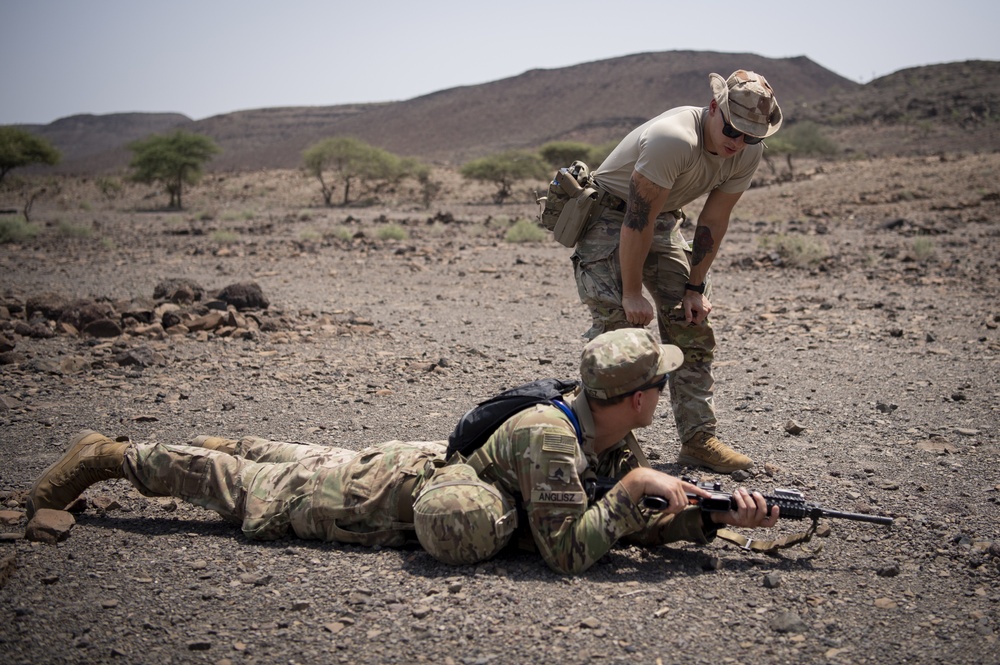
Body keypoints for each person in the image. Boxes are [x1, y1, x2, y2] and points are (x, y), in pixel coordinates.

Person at [25, 329, 779, 574]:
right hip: (379, 500)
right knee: (251, 487)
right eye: (659, 384)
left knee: (301, 456)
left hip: (413, 465)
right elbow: (570, 549)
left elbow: (630, 513)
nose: (661, 395)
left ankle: (228, 437)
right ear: (640, 396)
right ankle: (110, 454)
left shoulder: (606, 428)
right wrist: (641, 486)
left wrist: (707, 517)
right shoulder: (555, 437)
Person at [571, 70, 783, 475]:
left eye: (751, 137)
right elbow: (636, 219)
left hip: (663, 221)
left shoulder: (748, 152)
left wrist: (694, 288)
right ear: (714, 108)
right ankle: (600, 443)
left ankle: (699, 439)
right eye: (734, 130)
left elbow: (714, 220)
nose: (737, 144)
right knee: (618, 332)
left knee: (691, 323)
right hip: (609, 218)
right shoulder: (674, 139)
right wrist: (632, 293)